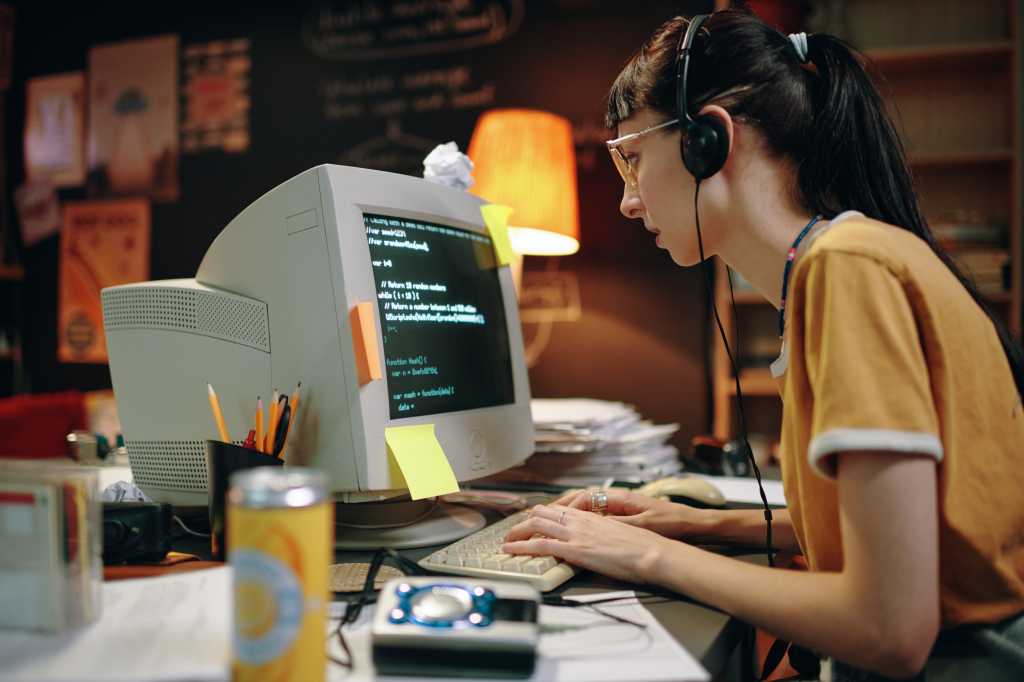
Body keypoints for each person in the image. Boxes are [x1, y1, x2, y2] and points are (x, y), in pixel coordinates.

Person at [501, 8, 1024, 681]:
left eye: (632, 160)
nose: (629, 203)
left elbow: (889, 626)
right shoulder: (847, 259)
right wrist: (690, 524)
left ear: (707, 142)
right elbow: (893, 536)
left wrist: (640, 554)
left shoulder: (847, 270)